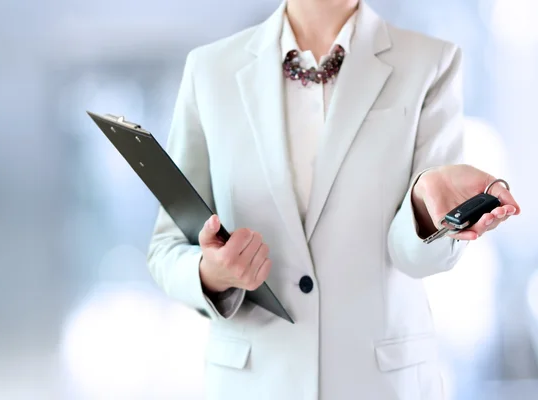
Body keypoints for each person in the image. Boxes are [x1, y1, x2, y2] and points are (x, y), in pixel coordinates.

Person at [147, 0, 521, 399]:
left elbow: (417, 256)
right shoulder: (210, 70)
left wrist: (425, 211)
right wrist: (212, 274)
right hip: (255, 381)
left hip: (380, 383)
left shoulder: (431, 63)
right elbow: (166, 249)